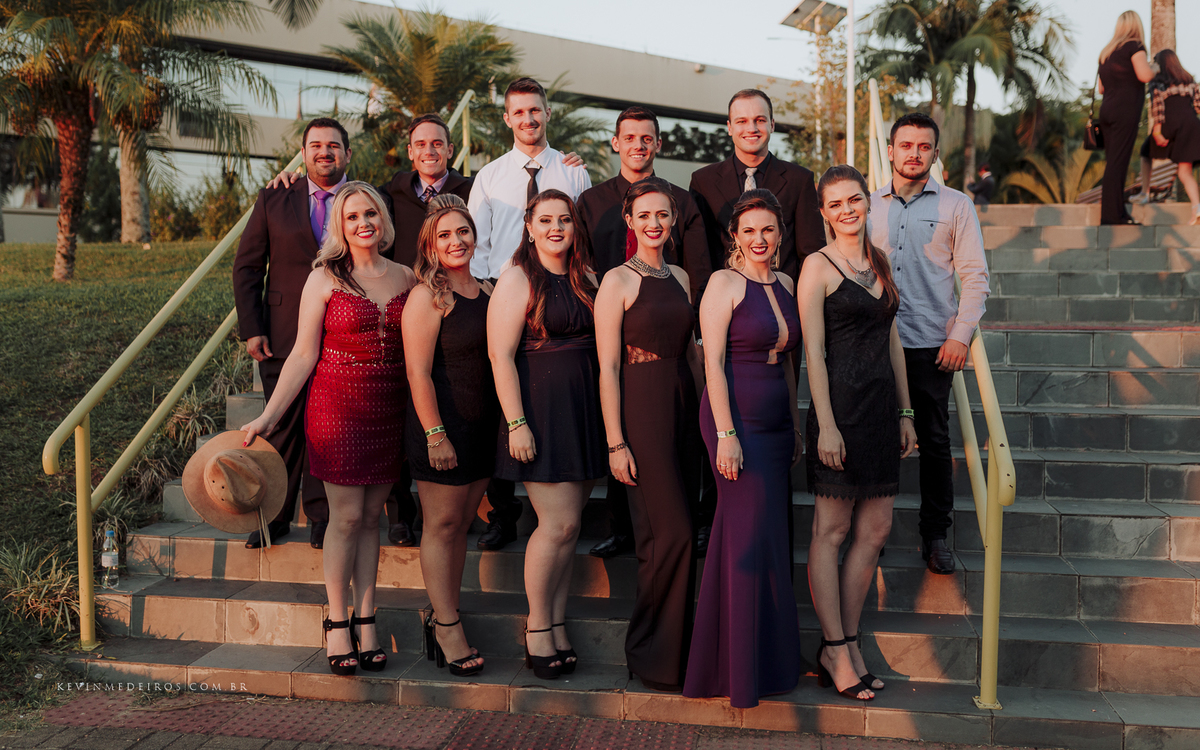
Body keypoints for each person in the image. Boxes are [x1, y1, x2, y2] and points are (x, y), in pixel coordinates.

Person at [243, 182, 418, 676]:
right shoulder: (324, 279)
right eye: (352, 216)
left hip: (388, 410)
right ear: (339, 225)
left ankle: (367, 618)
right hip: (337, 408)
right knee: (345, 518)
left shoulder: (406, 276)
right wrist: (268, 416)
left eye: (371, 214)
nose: (363, 223)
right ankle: (337, 621)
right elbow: (302, 355)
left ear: (383, 220)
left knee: (371, 518)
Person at [799, 165, 918, 702]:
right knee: (831, 530)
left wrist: (906, 411)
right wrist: (825, 424)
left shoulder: (880, 261)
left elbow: (892, 340)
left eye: (854, 199)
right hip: (840, 413)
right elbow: (814, 351)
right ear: (824, 213)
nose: (847, 210)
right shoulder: (817, 266)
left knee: (874, 530)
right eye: (835, 204)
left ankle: (845, 644)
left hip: (879, 412)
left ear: (868, 201)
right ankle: (835, 646)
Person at [689, 89, 825, 550]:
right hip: (730, 322)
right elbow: (700, 255)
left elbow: (809, 254)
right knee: (729, 456)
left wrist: (787, 311)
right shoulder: (703, 180)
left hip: (781, 320)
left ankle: (773, 540)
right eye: (742, 120)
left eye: (759, 119)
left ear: (771, 124)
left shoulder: (799, 180)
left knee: (773, 476)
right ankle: (714, 519)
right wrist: (713, 317)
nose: (751, 128)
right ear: (729, 127)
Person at [682, 189, 803, 708]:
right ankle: (734, 672)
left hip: (776, 423)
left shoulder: (788, 282)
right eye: (749, 230)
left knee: (769, 539)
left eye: (768, 229)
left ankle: (769, 663)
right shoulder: (723, 283)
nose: (759, 238)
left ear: (780, 234)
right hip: (735, 420)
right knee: (745, 541)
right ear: (734, 235)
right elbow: (711, 363)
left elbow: (790, 362)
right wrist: (726, 435)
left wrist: (795, 424)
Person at [577, 105, 711, 560]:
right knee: (628, 439)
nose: (638, 144)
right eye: (629, 137)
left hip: (669, 332)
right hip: (614, 333)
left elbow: (696, 268)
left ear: (658, 144)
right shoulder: (591, 201)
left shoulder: (683, 203)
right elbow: (581, 265)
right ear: (616, 143)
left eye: (647, 137)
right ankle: (622, 528)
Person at [469, 77, 592, 552]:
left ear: (547, 112)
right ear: (507, 118)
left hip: (559, 296)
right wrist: (492, 289)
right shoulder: (490, 175)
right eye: (518, 112)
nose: (528, 119)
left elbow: (579, 237)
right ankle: (502, 514)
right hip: (503, 292)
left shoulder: (573, 171)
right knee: (498, 398)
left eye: (535, 110)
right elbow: (478, 240)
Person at [487, 189, 606, 680]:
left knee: (570, 527)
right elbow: (499, 357)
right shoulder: (518, 277)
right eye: (546, 220)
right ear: (529, 227)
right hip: (540, 412)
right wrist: (517, 423)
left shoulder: (586, 277)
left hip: (584, 412)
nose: (556, 228)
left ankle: (556, 622)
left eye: (565, 220)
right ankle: (536, 626)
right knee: (554, 525)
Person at [867, 113, 990, 576]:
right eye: (906, 145)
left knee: (935, 442)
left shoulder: (957, 205)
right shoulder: (866, 205)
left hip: (930, 344)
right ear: (890, 150)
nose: (914, 153)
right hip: (874, 342)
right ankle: (871, 535)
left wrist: (961, 334)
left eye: (924, 146)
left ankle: (935, 535)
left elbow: (975, 277)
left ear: (935, 153)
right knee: (873, 438)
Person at [595, 179, 702, 692]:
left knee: (679, 534)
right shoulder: (616, 280)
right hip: (642, 407)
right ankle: (648, 651)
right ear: (630, 221)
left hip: (685, 407)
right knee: (668, 534)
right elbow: (608, 367)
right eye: (644, 215)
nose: (654, 223)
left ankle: (674, 655)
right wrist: (616, 442)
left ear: (673, 219)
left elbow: (694, 353)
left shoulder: (681, 276)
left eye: (663, 214)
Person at [232, 117, 350, 550]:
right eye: (316, 145)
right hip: (281, 332)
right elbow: (248, 265)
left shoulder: (361, 199)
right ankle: (274, 516)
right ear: (302, 154)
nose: (324, 152)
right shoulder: (274, 197)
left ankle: (321, 518)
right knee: (280, 424)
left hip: (341, 333)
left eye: (333, 145)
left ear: (347, 154)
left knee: (326, 428)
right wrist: (252, 328)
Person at [402, 194, 495, 678]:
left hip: (482, 428)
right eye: (445, 235)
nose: (456, 241)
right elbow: (417, 373)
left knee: (461, 527)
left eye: (463, 232)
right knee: (441, 525)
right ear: (430, 245)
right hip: (442, 428)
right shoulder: (427, 297)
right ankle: (447, 625)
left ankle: (446, 612)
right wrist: (436, 436)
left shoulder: (488, 289)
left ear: (475, 237)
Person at [1097, 10, 1155, 225]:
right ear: (1136, 25)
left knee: (1113, 162)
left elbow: (1101, 88)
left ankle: (1117, 213)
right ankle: (1112, 216)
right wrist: (1156, 68)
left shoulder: (1106, 52)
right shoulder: (1135, 46)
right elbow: (1144, 75)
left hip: (1107, 111)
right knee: (1118, 163)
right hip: (1125, 110)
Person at [1148, 50, 1200, 225]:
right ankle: (1197, 208)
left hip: (1171, 124)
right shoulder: (1189, 80)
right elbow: (1198, 105)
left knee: (1146, 151)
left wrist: (1157, 132)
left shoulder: (1158, 82)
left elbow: (1158, 108)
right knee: (1185, 172)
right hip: (1191, 124)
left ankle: (1144, 193)